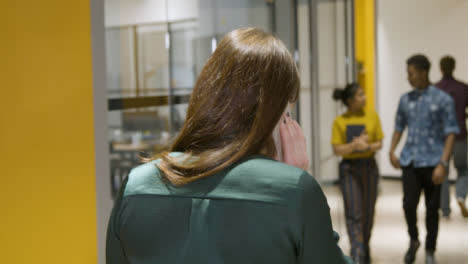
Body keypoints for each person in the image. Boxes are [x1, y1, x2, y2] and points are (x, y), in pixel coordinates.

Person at [106, 28, 352, 264]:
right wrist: (295, 177)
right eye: (287, 112)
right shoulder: (294, 191)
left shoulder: (135, 184)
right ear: (277, 115)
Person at [388, 54, 459, 264]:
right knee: (408, 204)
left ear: (422, 72)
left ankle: (430, 249)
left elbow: (451, 133)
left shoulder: (443, 99)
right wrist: (392, 150)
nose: (408, 77)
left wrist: (443, 163)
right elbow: (399, 127)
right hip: (410, 161)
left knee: (432, 208)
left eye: (411, 73)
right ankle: (413, 240)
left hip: (434, 163)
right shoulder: (405, 99)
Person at [331, 83, 384, 264]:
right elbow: (337, 149)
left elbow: (379, 143)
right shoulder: (340, 121)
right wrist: (354, 145)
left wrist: (367, 146)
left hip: (369, 167)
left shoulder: (372, 116)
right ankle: (357, 252)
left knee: (368, 213)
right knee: (354, 213)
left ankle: (364, 246)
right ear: (350, 100)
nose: (364, 97)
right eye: (360, 95)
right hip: (349, 169)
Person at [435, 56, 468, 218]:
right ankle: (461, 196)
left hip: (441, 138)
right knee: (464, 170)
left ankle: (445, 209)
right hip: (460, 135)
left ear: (440, 68)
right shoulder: (463, 88)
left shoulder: (435, 89)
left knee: (443, 172)